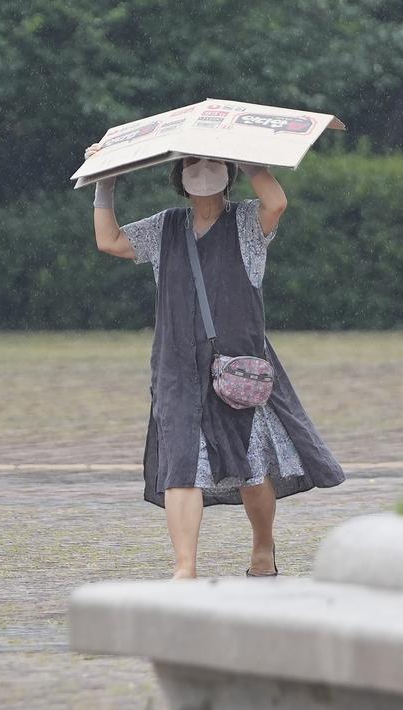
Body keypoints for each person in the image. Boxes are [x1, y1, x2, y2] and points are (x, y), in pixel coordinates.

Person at [86, 144, 345, 580]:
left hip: (237, 365)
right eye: (191, 163)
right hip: (176, 366)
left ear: (227, 171)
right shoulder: (165, 227)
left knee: (250, 464)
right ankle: (184, 566)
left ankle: (263, 543)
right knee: (181, 464)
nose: (201, 171)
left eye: (210, 163)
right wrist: (104, 182)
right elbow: (108, 241)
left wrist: (250, 159)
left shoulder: (245, 220)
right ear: (179, 174)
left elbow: (277, 202)